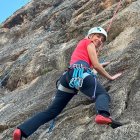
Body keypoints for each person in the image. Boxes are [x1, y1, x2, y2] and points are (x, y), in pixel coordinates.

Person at [13, 27, 122, 140]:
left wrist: (100, 64)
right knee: (102, 95)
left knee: (52, 111)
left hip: (67, 77)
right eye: (98, 36)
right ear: (90, 36)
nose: (100, 40)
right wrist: (110, 77)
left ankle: (21, 131)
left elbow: (89, 65)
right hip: (79, 72)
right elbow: (95, 65)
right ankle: (103, 115)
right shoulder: (88, 42)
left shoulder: (82, 46)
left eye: (102, 39)